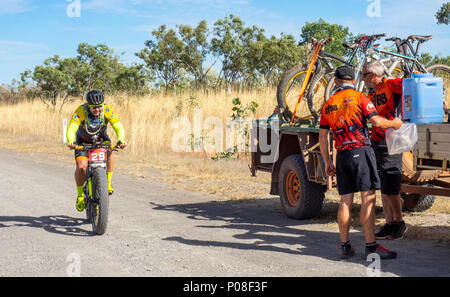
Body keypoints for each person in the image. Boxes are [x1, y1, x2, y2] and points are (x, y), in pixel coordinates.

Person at [319, 66, 403, 260]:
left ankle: (345, 245)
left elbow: (323, 136)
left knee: (345, 202)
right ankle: (371, 247)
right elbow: (377, 123)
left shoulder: (328, 103)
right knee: (368, 199)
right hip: (361, 152)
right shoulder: (360, 97)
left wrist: (326, 161)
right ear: (354, 81)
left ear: (337, 82)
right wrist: (395, 124)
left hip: (341, 155)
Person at [361, 61, 407, 240]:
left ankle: (399, 222)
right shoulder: (371, 93)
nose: (362, 78)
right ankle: (389, 223)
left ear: (372, 75)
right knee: (384, 185)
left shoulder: (391, 84)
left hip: (392, 141)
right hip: (376, 140)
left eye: (364, 75)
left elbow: (410, 85)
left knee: (391, 185)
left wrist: (415, 75)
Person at [66, 90, 127, 212]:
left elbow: (118, 126)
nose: (97, 110)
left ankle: (107, 183)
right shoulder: (80, 111)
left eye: (99, 107)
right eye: (94, 107)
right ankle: (80, 196)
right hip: (82, 141)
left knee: (109, 152)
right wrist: (71, 141)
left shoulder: (107, 110)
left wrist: (121, 139)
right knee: (82, 167)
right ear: (88, 105)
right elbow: (71, 129)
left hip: (101, 139)